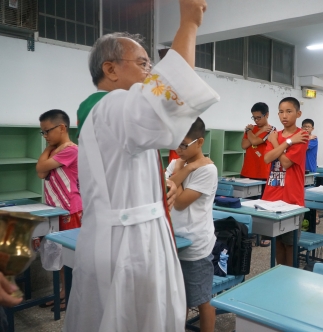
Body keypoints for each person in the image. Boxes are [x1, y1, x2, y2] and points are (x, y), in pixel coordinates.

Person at [64, 1, 220, 331]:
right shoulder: (112, 106)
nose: (150, 73)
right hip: (128, 246)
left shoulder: (108, 113)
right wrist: (188, 24)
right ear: (111, 70)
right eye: (143, 63)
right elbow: (164, 100)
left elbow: (124, 169)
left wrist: (156, 187)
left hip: (124, 233)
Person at [166, 118, 217, 332]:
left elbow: (178, 202)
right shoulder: (177, 163)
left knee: (202, 299)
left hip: (196, 245)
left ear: (200, 141)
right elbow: (161, 190)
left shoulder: (207, 170)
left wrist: (182, 172)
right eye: (176, 142)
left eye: (184, 144)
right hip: (174, 240)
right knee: (179, 298)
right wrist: (184, 168)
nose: (179, 149)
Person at [36, 109, 82, 312]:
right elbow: (41, 172)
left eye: (47, 131)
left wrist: (48, 150)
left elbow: (40, 168)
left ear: (62, 127)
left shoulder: (71, 149)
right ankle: (63, 292)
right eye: (43, 133)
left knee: (71, 258)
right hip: (54, 211)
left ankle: (72, 295)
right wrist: (49, 147)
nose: (45, 136)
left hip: (70, 210)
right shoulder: (54, 149)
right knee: (59, 257)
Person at [262, 97, 309, 266]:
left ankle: (290, 276)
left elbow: (286, 163)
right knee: (278, 242)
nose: (284, 115)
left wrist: (276, 144)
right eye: (281, 112)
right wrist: (286, 142)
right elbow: (267, 158)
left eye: (289, 111)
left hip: (292, 199)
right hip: (272, 197)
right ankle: (280, 274)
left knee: (290, 243)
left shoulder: (302, 136)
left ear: (298, 113)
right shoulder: (276, 136)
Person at [240, 102, 275, 247]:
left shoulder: (271, 129)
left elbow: (253, 141)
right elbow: (244, 145)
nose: (256, 121)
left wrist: (250, 131)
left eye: (259, 117)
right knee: (247, 205)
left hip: (263, 173)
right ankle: (249, 232)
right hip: (247, 171)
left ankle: (265, 234)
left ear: (267, 115)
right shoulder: (253, 129)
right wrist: (252, 131)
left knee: (263, 206)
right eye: (254, 118)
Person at [301, 118, 320, 226]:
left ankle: (316, 215)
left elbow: (304, 147)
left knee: (311, 195)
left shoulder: (314, 139)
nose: (306, 128)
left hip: (311, 170)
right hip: (301, 170)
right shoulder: (305, 138)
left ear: (312, 128)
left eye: (308, 127)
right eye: (304, 127)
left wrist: (306, 138)